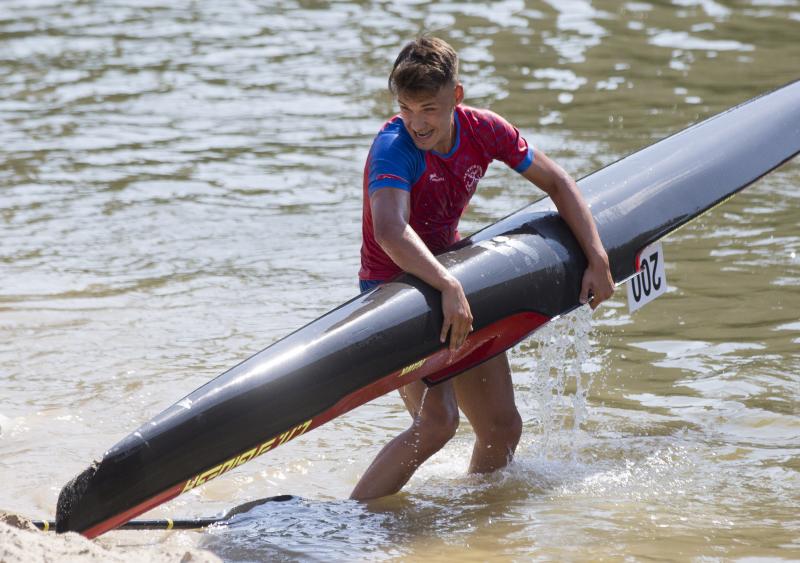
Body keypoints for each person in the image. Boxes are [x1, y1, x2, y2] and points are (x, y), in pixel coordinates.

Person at [351, 36, 614, 501]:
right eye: (405, 108)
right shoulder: (394, 147)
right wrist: (446, 283)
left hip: (451, 275)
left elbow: (557, 182)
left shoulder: (485, 130)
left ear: (457, 96)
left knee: (501, 428)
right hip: (394, 292)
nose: (415, 122)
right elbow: (391, 232)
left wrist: (597, 257)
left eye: (428, 109)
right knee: (437, 423)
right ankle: (349, 523)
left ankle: (469, 524)